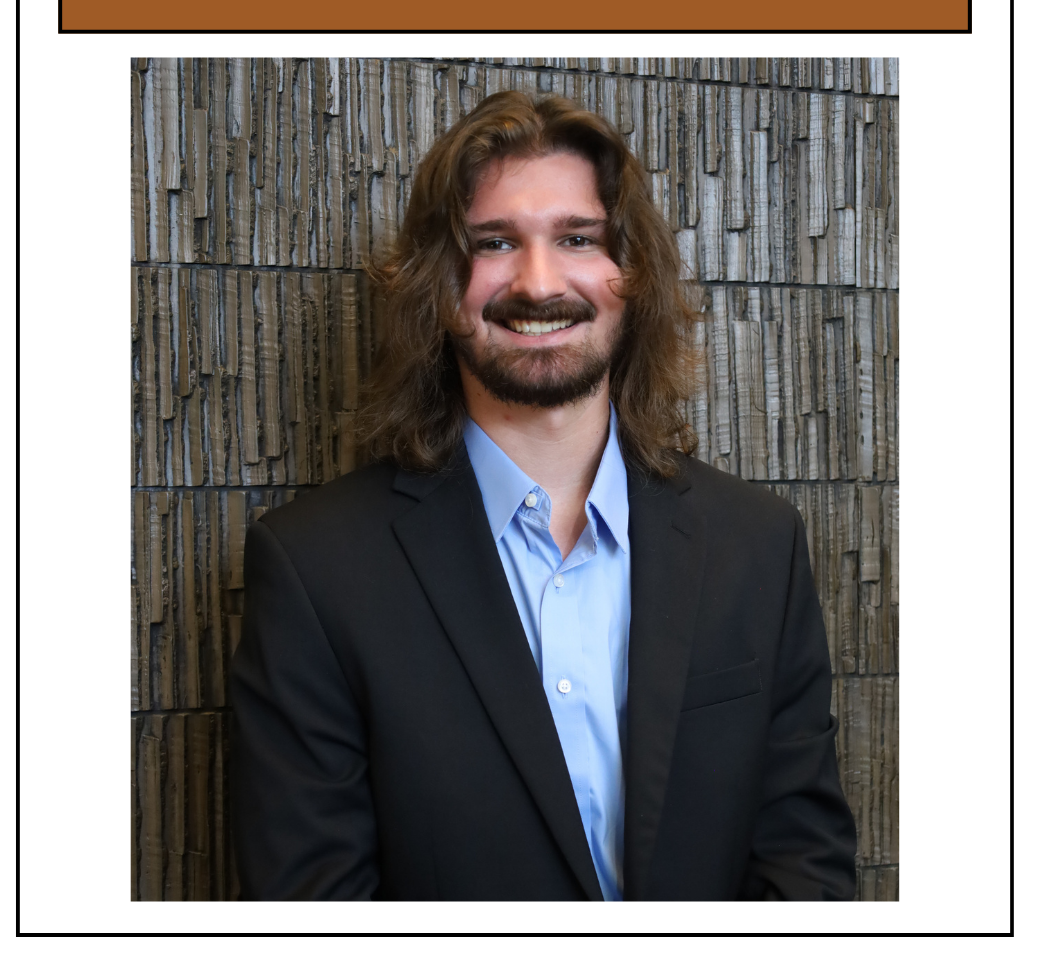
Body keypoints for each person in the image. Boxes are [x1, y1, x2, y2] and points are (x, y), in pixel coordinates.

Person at [230, 91, 857, 901]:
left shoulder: (758, 545)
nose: (537, 281)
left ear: (629, 274)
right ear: (440, 286)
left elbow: (805, 867)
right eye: (494, 242)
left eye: (576, 238)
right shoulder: (315, 569)